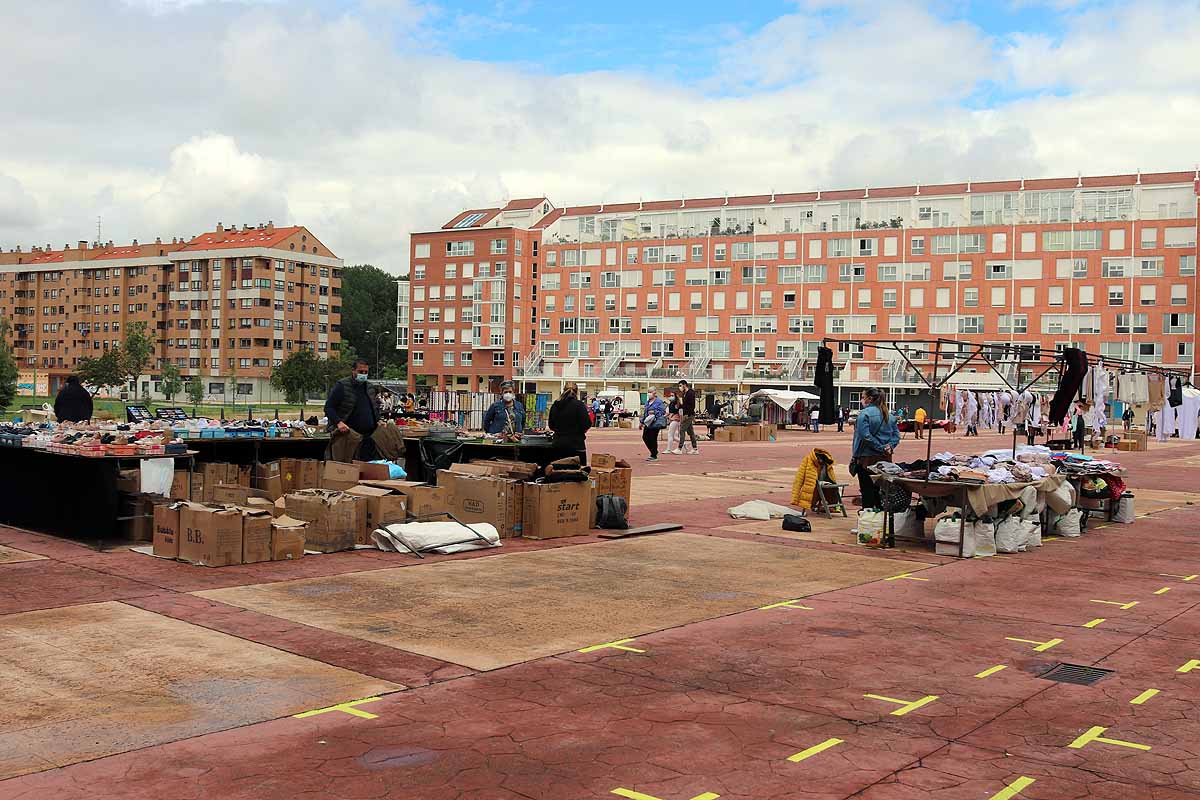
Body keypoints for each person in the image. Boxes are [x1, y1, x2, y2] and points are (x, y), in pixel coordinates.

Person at [852, 387, 900, 510]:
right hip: (885, 459)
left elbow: (865, 436)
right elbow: (896, 436)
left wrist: (879, 447)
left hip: (866, 459)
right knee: (881, 491)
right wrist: (888, 446)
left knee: (867, 491)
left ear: (869, 399)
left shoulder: (864, 414)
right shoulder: (890, 416)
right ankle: (880, 516)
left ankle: (868, 516)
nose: (862, 400)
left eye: (863, 397)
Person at [324, 358, 381, 460]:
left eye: (366, 372)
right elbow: (329, 407)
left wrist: (378, 420)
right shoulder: (342, 386)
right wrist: (338, 422)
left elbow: (374, 407)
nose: (363, 374)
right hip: (348, 435)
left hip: (368, 436)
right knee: (347, 463)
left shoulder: (370, 387)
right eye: (360, 372)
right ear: (353, 370)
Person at [548, 383, 591, 464]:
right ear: (576, 392)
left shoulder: (555, 405)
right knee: (579, 470)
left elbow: (551, 425)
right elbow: (587, 424)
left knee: (557, 470)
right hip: (576, 444)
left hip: (558, 444)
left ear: (563, 390)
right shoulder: (579, 405)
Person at [641, 389, 667, 462]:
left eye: (650, 392)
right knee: (645, 437)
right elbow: (645, 413)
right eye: (648, 392)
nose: (649, 394)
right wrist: (642, 421)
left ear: (654, 393)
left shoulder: (659, 402)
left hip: (656, 422)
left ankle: (653, 454)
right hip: (648, 422)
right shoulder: (647, 402)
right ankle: (654, 451)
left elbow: (662, 412)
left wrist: (654, 412)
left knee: (653, 438)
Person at [676, 379, 699, 454]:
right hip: (686, 414)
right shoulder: (684, 393)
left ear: (684, 385)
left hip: (689, 415)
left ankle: (679, 448)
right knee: (691, 432)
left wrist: (687, 414)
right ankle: (695, 449)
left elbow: (692, 405)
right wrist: (679, 406)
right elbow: (684, 405)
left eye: (680, 385)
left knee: (682, 430)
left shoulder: (690, 393)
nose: (679, 387)